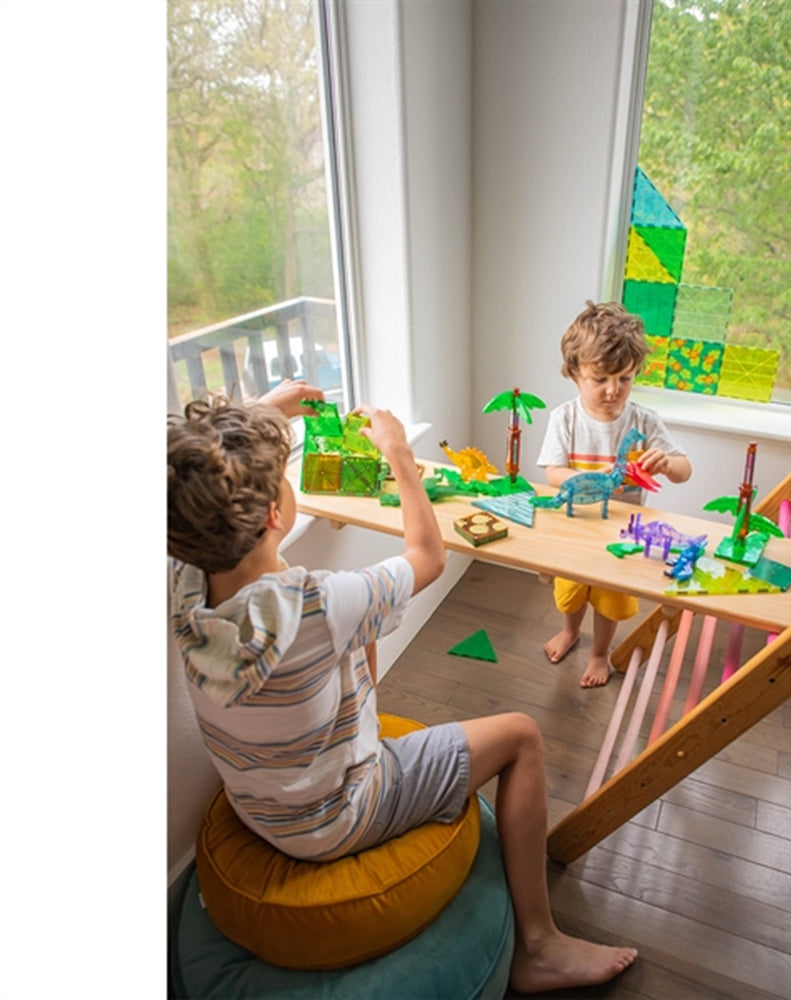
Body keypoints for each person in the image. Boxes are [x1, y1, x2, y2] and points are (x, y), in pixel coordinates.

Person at [167, 391, 638, 995]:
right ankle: (541, 946)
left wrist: (268, 411)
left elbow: (187, 480)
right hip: (338, 817)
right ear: (274, 516)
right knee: (521, 735)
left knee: (364, 636)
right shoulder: (319, 604)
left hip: (258, 805)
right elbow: (427, 556)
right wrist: (399, 457)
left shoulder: (184, 585)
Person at [536, 300, 692, 688]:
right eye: (600, 379)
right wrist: (588, 479)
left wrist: (667, 463)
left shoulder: (644, 421)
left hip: (622, 533)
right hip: (575, 528)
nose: (613, 390)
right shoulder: (565, 418)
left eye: (625, 378)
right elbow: (553, 474)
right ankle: (570, 631)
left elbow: (684, 471)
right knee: (573, 590)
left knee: (608, 598)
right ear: (575, 373)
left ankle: (599, 653)